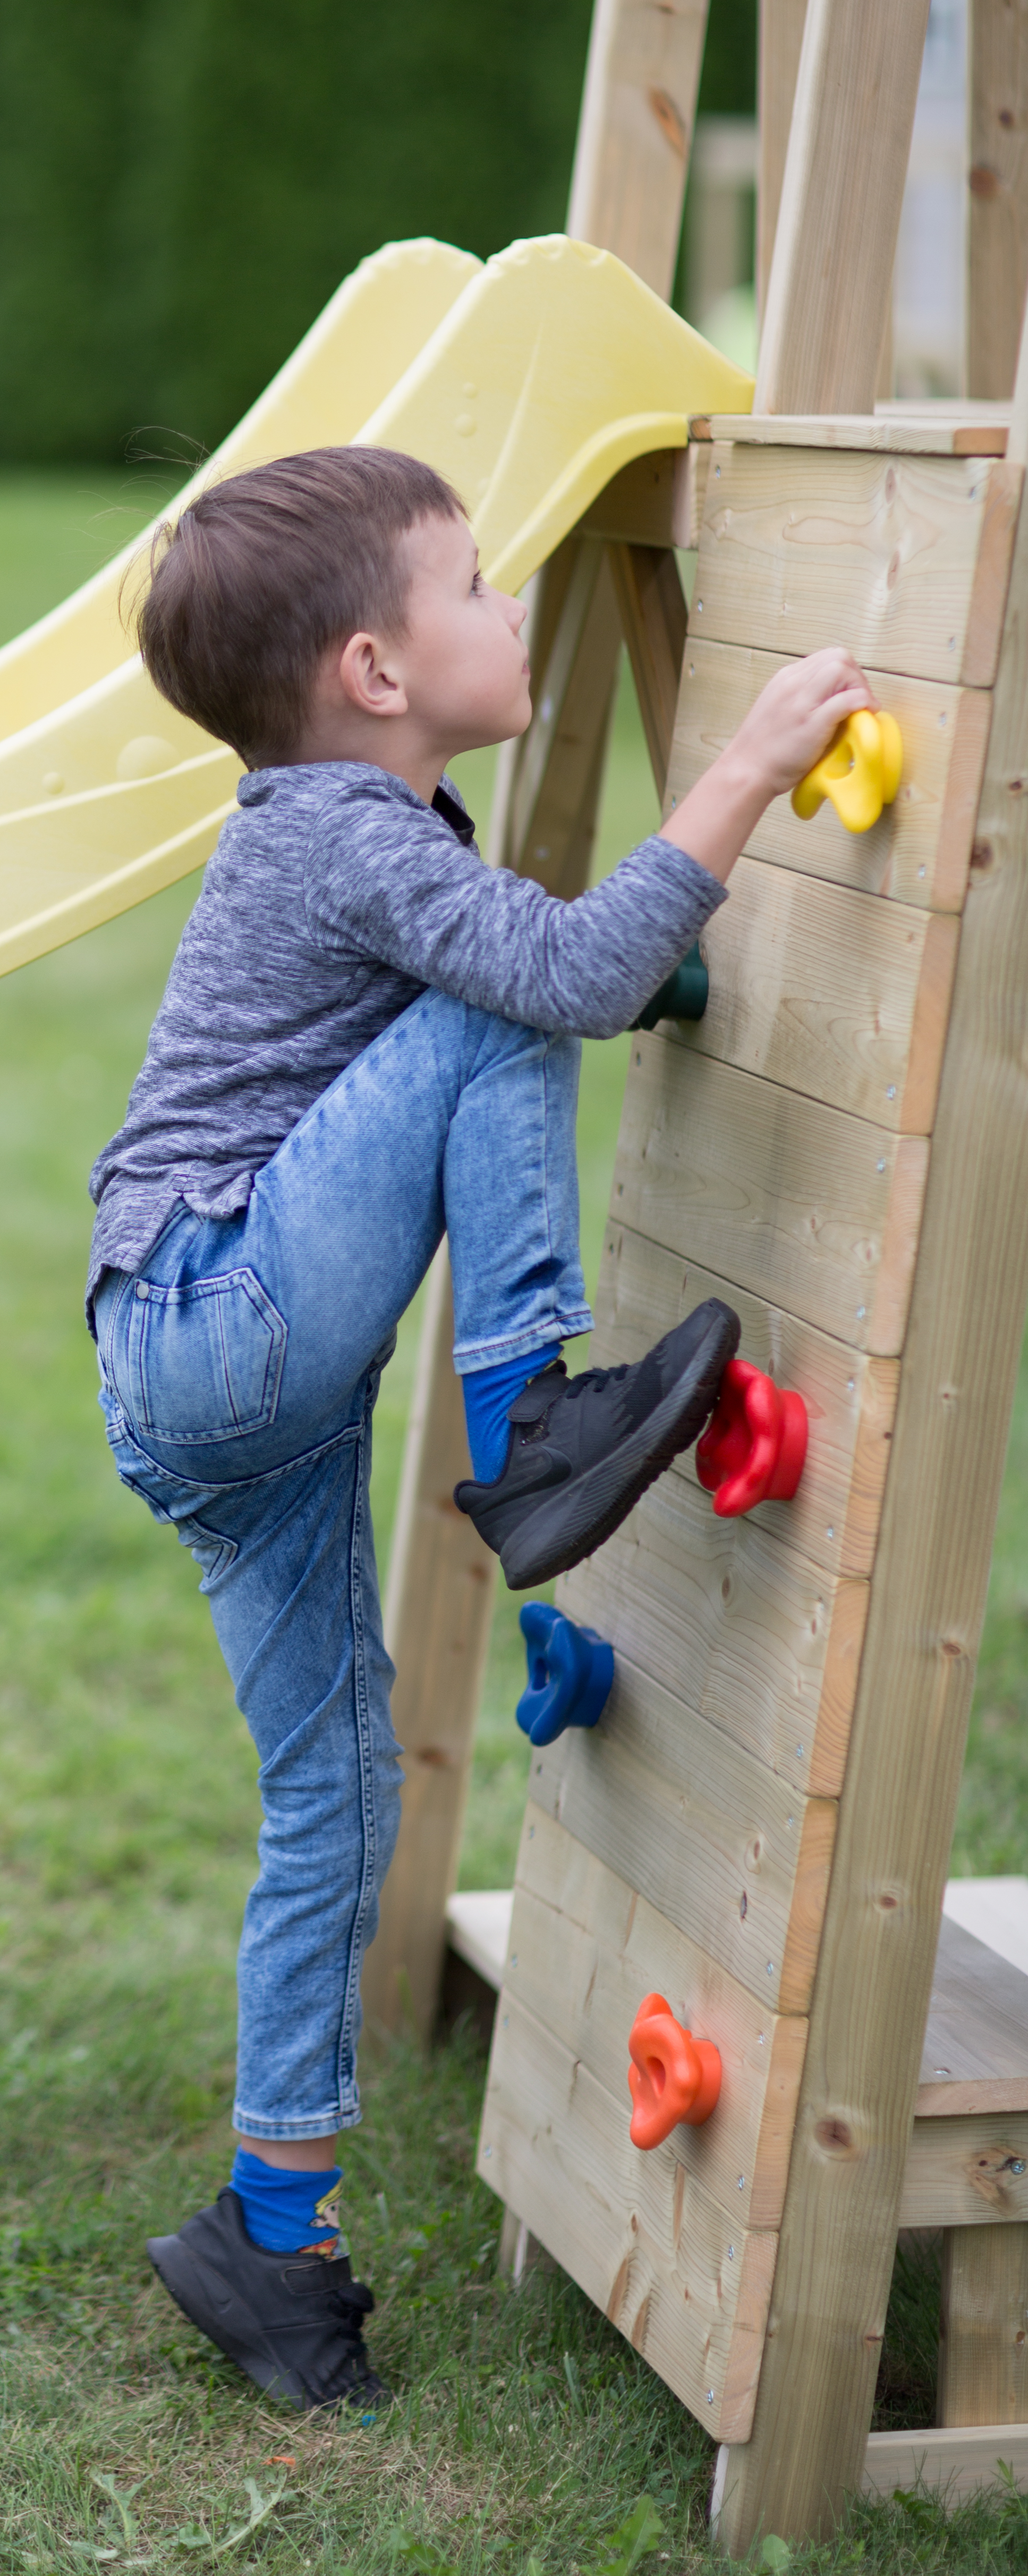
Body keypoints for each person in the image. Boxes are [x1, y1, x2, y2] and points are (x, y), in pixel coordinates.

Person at [85, 446, 872, 2413]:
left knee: (333, 1801)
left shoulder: (365, 823)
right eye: (478, 587)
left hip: (209, 1381)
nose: (513, 614)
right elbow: (553, 980)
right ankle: (532, 1423)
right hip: (227, 1313)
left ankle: (272, 2234)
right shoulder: (345, 834)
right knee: (505, 991)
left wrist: (654, 962)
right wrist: (748, 770)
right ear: (372, 666)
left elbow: (575, 974)